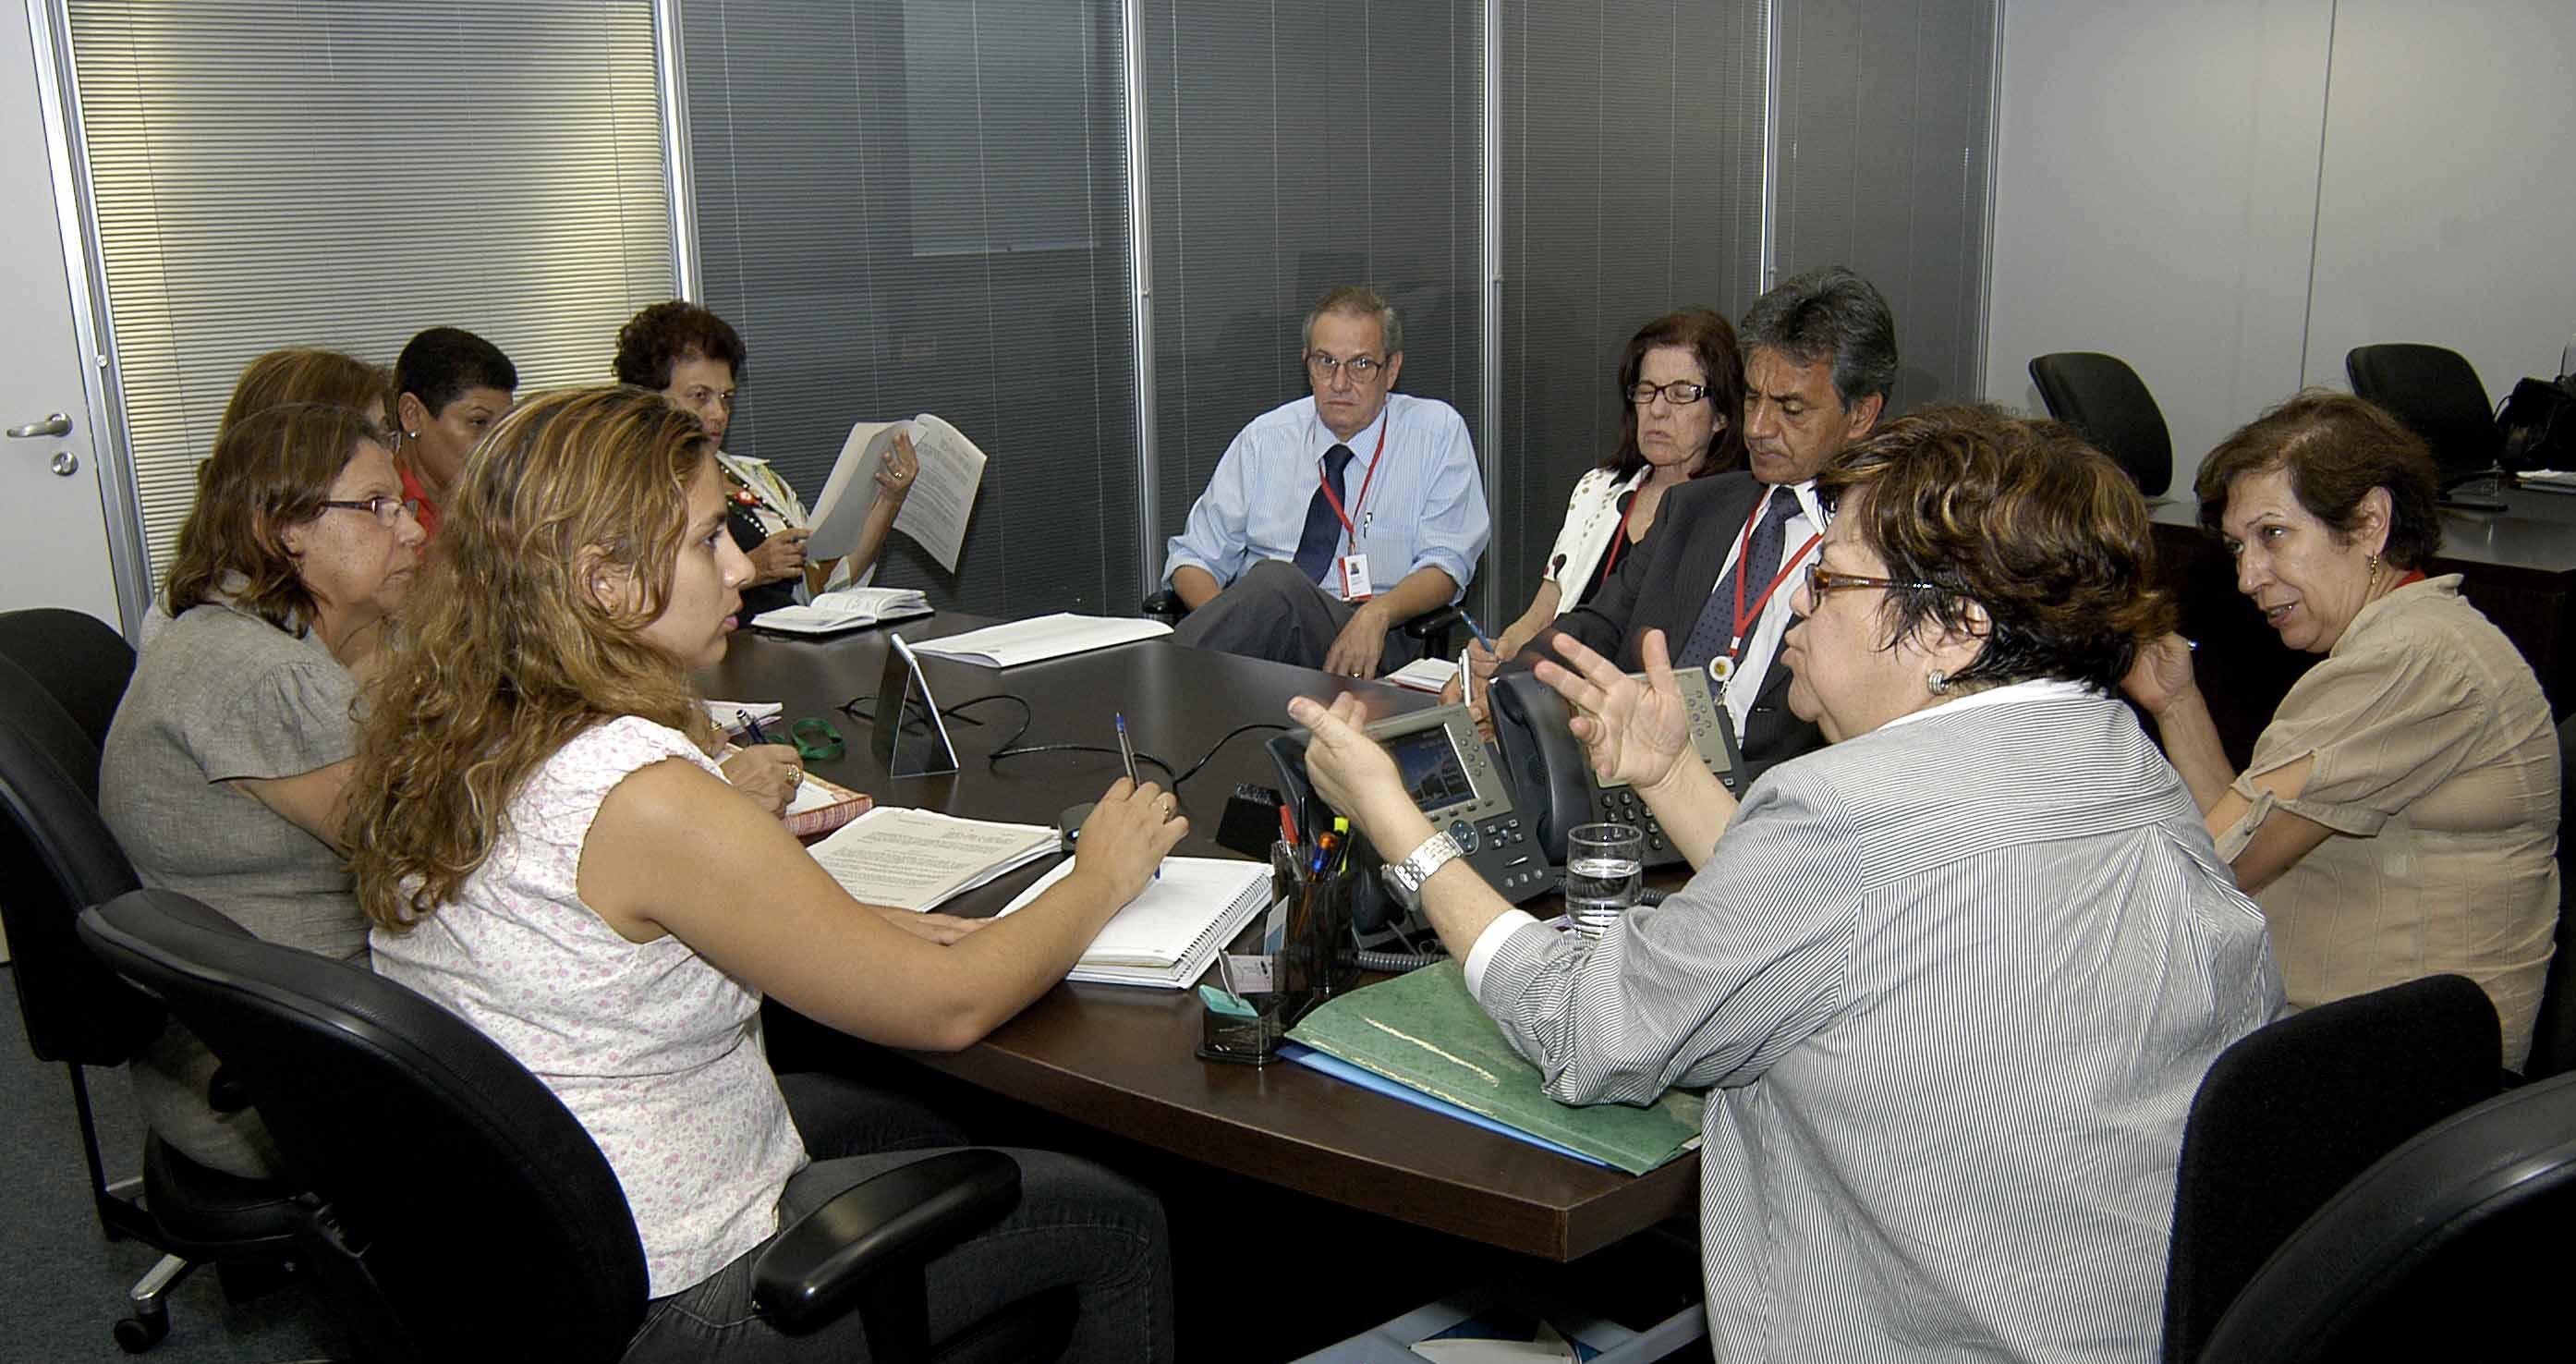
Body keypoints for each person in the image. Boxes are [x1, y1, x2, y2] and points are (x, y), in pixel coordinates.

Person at [1294, 407, 2281, 1363]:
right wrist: (1671, 776)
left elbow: (1586, 1027)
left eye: (1830, 584)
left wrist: (1403, 830)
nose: (1798, 608)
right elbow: (1846, 925)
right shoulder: (2124, 767)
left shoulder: (1850, 808)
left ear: (1952, 629)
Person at [345, 385, 1176, 1361]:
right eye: (706, 541)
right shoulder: (638, 791)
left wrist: (854, 927)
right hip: (675, 1292)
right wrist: (1099, 880)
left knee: (919, 1121)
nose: (741, 563)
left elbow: (614, 926)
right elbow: (946, 1008)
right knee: (1122, 1219)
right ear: (601, 580)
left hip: (517, 1244)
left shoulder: (463, 725)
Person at [2124, 391, 2559, 1068]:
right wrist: (2176, 703)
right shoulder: (2417, 640)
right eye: (2239, 547)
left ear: (2369, 523)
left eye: (2272, 535)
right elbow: (2243, 832)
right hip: (2356, 1051)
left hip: (2389, 1082)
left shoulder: (2408, 660)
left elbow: (2215, 872)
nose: (2246, 578)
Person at [102, 402, 427, 1178]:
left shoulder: (248, 625)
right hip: (279, 1072)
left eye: (406, 506)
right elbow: (420, 861)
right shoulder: (263, 672)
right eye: (377, 508)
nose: (412, 530)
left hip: (271, 1022)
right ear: (285, 529)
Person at [1492, 266, 1895, 783]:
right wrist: (1512, 683)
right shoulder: (1694, 508)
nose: (1758, 428)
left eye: (1791, 408)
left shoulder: (1884, 549)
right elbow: (1596, 626)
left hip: (1779, 810)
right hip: (1636, 774)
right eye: (1752, 398)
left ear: (1861, 414)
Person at [1162, 285, 1490, 677]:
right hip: (1265, 649)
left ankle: (1156, 684)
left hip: (1380, 641)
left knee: (1275, 580)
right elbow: (1192, 559)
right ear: (1307, 364)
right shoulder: (1265, 438)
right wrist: (1237, 624)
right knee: (1273, 592)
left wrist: (1377, 613)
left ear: (1393, 369)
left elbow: (1448, 566)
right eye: (1326, 362)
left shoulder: (1436, 434)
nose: (1340, 382)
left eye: (1361, 364)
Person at [1453, 308, 1746, 680]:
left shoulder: (1732, 518)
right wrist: (1502, 652)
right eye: (1647, 391)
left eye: (1681, 394)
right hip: (1558, 681)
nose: (1657, 410)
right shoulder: (1599, 489)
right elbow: (1543, 612)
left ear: (1721, 415)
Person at [613, 300, 917, 620]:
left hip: (784, 655)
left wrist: (889, 500)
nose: (718, 414)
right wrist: (753, 569)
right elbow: (638, 601)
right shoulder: (630, 493)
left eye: (726, 397)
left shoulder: (758, 481)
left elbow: (825, 589)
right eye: (700, 396)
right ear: (646, 399)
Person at [391, 325, 517, 537]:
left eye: (503, 426)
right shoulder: (381, 519)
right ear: (411, 415)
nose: (498, 444)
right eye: (479, 422)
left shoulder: (499, 510)